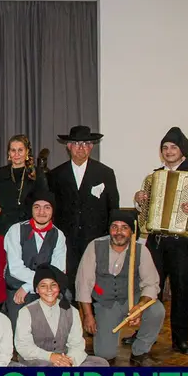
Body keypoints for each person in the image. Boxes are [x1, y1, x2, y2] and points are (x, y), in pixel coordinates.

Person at [130, 127, 188, 355]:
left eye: (173, 147)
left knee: (180, 291)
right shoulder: (154, 176)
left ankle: (180, 339)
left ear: (183, 152)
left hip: (182, 244)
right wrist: (140, 200)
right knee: (150, 290)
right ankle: (145, 335)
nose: (168, 151)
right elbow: (145, 212)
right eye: (165, 147)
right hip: (156, 242)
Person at [75, 211, 166, 366]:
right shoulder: (95, 246)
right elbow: (83, 283)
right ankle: (106, 344)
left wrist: (139, 307)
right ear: (109, 229)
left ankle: (140, 352)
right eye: (114, 227)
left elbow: (151, 284)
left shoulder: (141, 251)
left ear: (131, 231)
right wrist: (88, 315)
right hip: (106, 303)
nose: (119, 232)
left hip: (133, 299)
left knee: (157, 310)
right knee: (105, 355)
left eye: (124, 228)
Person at [47, 125, 120, 292]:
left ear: (92, 146)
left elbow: (113, 209)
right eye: (77, 143)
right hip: (66, 242)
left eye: (86, 143)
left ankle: (94, 317)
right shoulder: (55, 175)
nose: (82, 147)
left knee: (96, 285)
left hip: (96, 240)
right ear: (69, 146)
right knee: (70, 285)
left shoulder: (105, 173)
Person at [0, 135, 47, 303]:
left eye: (20, 150)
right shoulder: (1, 173)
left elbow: (44, 199)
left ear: (27, 153)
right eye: (13, 150)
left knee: (24, 265)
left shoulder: (36, 174)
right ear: (8, 154)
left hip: (28, 228)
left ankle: (22, 300)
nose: (17, 154)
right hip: (3, 226)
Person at [16, 265, 110, 367]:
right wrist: (50, 357)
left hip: (65, 358)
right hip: (37, 359)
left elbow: (77, 344)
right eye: (43, 286)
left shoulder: (72, 311)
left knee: (101, 364)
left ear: (59, 287)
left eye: (53, 285)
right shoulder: (26, 312)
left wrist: (70, 361)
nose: (49, 289)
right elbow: (23, 346)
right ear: (37, 290)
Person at [2, 189, 66, 325]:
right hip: (17, 290)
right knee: (19, 333)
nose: (41, 212)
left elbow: (57, 270)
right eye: (37, 207)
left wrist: (29, 286)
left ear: (53, 211)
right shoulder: (16, 230)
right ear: (31, 209)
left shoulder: (58, 235)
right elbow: (15, 268)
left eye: (47, 207)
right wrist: (27, 286)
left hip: (46, 291)